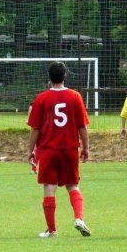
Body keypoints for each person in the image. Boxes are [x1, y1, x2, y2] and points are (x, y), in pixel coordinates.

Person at [27, 62, 91, 238]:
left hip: (48, 149)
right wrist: (86, 147)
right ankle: (79, 218)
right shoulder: (75, 96)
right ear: (65, 76)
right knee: (73, 185)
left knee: (49, 186)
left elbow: (35, 129)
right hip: (70, 148)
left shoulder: (41, 98)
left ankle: (52, 230)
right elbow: (82, 126)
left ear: (49, 77)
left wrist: (30, 150)